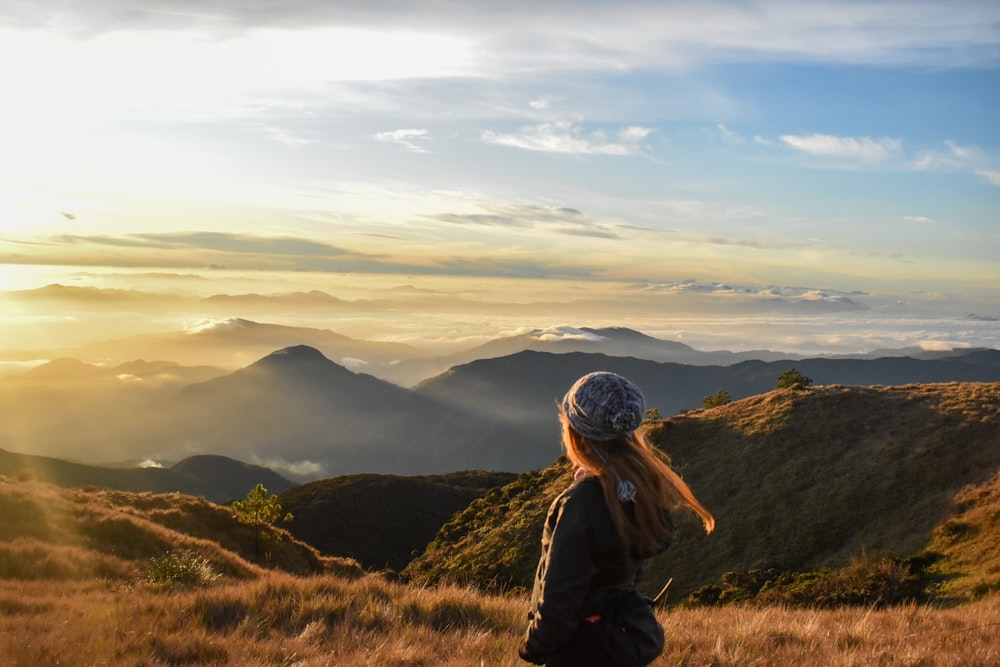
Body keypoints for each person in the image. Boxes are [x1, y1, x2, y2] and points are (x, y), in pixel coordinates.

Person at [518, 371, 715, 666]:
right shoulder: (644, 491)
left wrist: (532, 646)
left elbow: (559, 599)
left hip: (579, 651)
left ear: (573, 431)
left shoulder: (582, 503)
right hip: (614, 642)